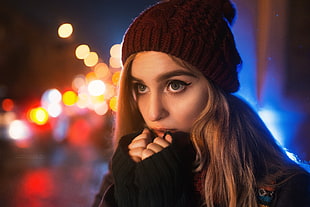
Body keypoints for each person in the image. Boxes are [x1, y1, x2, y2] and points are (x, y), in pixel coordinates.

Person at [92, 0, 310, 206]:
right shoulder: (127, 165)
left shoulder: (282, 188)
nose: (153, 112)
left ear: (216, 88)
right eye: (141, 88)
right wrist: (126, 192)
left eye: (175, 85)